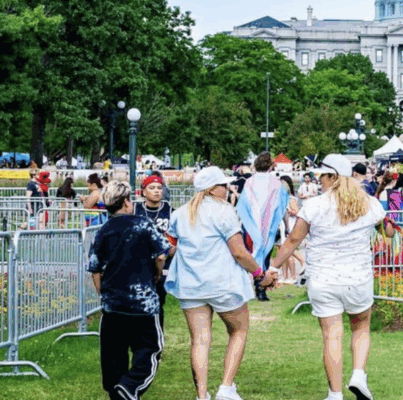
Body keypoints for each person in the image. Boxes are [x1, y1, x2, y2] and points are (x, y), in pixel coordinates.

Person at [268, 155, 395, 400]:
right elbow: (387, 231)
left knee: (331, 336)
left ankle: (334, 393)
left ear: (332, 177)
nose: (319, 180)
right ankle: (358, 374)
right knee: (361, 328)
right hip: (357, 278)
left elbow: (294, 240)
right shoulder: (368, 204)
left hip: (323, 279)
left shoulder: (314, 205)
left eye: (322, 176)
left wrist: (273, 267)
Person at [166, 167, 276, 400]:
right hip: (223, 282)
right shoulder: (225, 212)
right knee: (238, 330)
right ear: (211, 189)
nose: (228, 189)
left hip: (191, 284)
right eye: (224, 185)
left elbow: (172, 245)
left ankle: (201, 394)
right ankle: (226, 387)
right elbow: (239, 252)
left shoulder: (180, 214)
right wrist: (259, 273)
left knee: (200, 340)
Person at [87, 180, 173, 400]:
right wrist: (156, 272)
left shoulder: (103, 230)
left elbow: (95, 269)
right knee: (149, 350)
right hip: (142, 303)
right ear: (127, 202)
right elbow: (162, 254)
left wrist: (103, 294)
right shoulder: (143, 225)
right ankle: (130, 386)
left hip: (113, 303)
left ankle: (115, 389)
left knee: (112, 354)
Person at [236, 152, 290, 302]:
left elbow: (242, 205)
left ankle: (249, 285)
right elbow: (282, 207)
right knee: (265, 256)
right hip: (269, 227)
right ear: (271, 166)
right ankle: (262, 288)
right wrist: (286, 225)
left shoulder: (249, 183)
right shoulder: (276, 184)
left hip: (251, 226)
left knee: (249, 255)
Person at [133, 174, 175, 325]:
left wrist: (172, 249)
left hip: (163, 263)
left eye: (159, 188)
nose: (156, 191)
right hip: (139, 263)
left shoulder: (170, 211)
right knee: (138, 303)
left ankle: (157, 338)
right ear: (143, 192)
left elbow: (177, 238)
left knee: (157, 301)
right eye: (152, 188)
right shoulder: (135, 210)